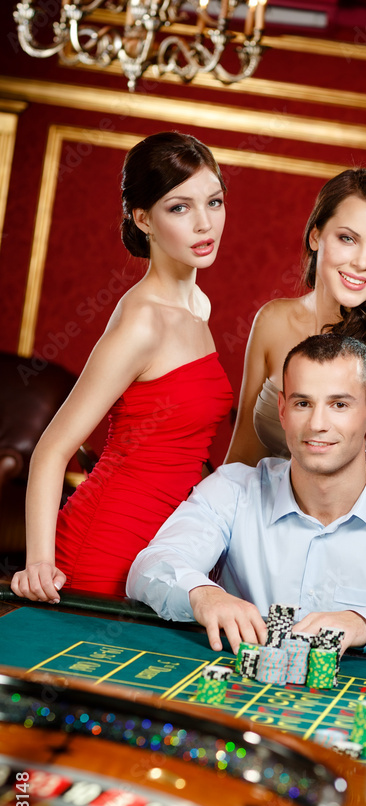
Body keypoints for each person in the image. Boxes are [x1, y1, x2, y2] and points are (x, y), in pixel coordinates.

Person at [128, 334, 366, 662]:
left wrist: (361, 623)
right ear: (282, 411)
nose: (317, 424)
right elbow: (151, 565)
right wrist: (204, 595)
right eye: (303, 403)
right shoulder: (233, 490)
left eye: (339, 404)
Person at [11, 132, 233, 602]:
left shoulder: (198, 305)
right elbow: (52, 449)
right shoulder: (143, 321)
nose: (203, 223)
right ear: (143, 218)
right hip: (107, 543)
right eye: (179, 208)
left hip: (168, 545)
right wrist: (39, 563)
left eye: (213, 202)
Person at [224, 167, 366, 484]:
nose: (362, 262)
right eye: (348, 238)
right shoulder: (272, 321)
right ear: (315, 236)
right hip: (266, 519)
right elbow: (242, 459)